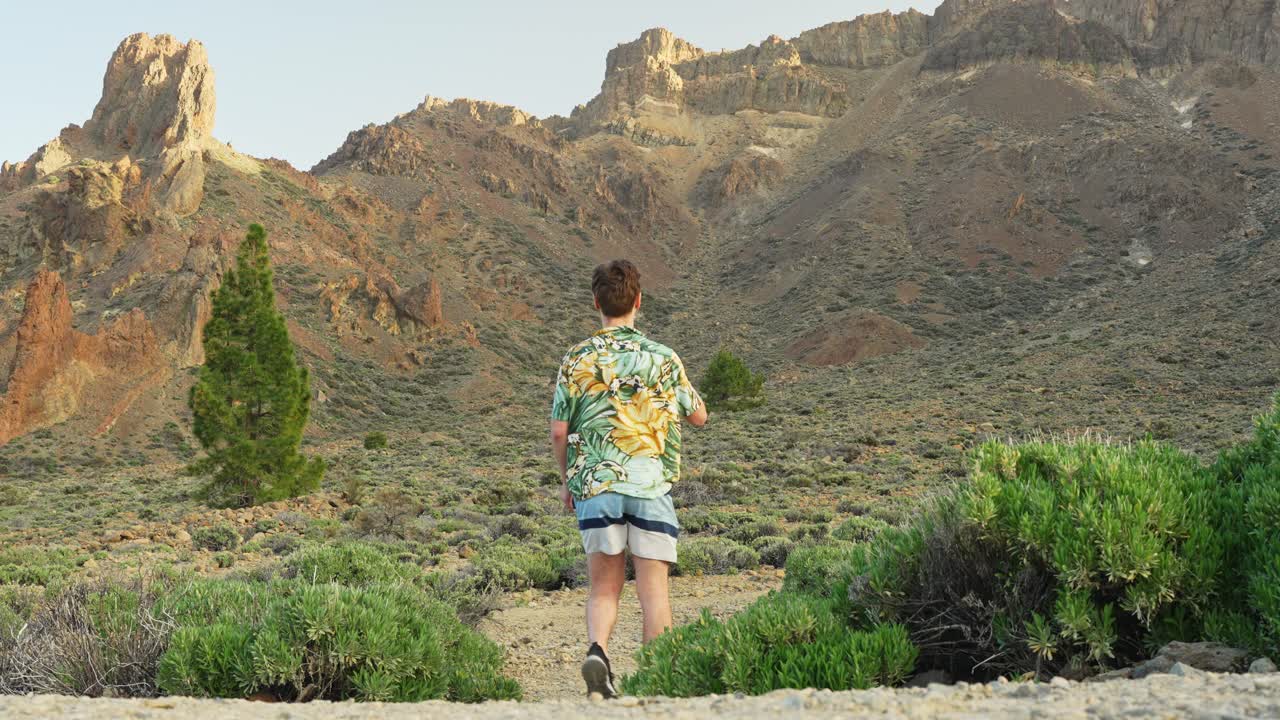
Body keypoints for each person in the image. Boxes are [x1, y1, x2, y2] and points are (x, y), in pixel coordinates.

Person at [549, 259, 708, 698]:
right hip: (650, 484)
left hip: (596, 485)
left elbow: (559, 431)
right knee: (654, 591)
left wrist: (568, 481)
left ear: (596, 303)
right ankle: (659, 684)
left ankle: (598, 651)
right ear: (638, 301)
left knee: (603, 587)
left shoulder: (577, 359)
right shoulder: (663, 358)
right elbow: (699, 415)